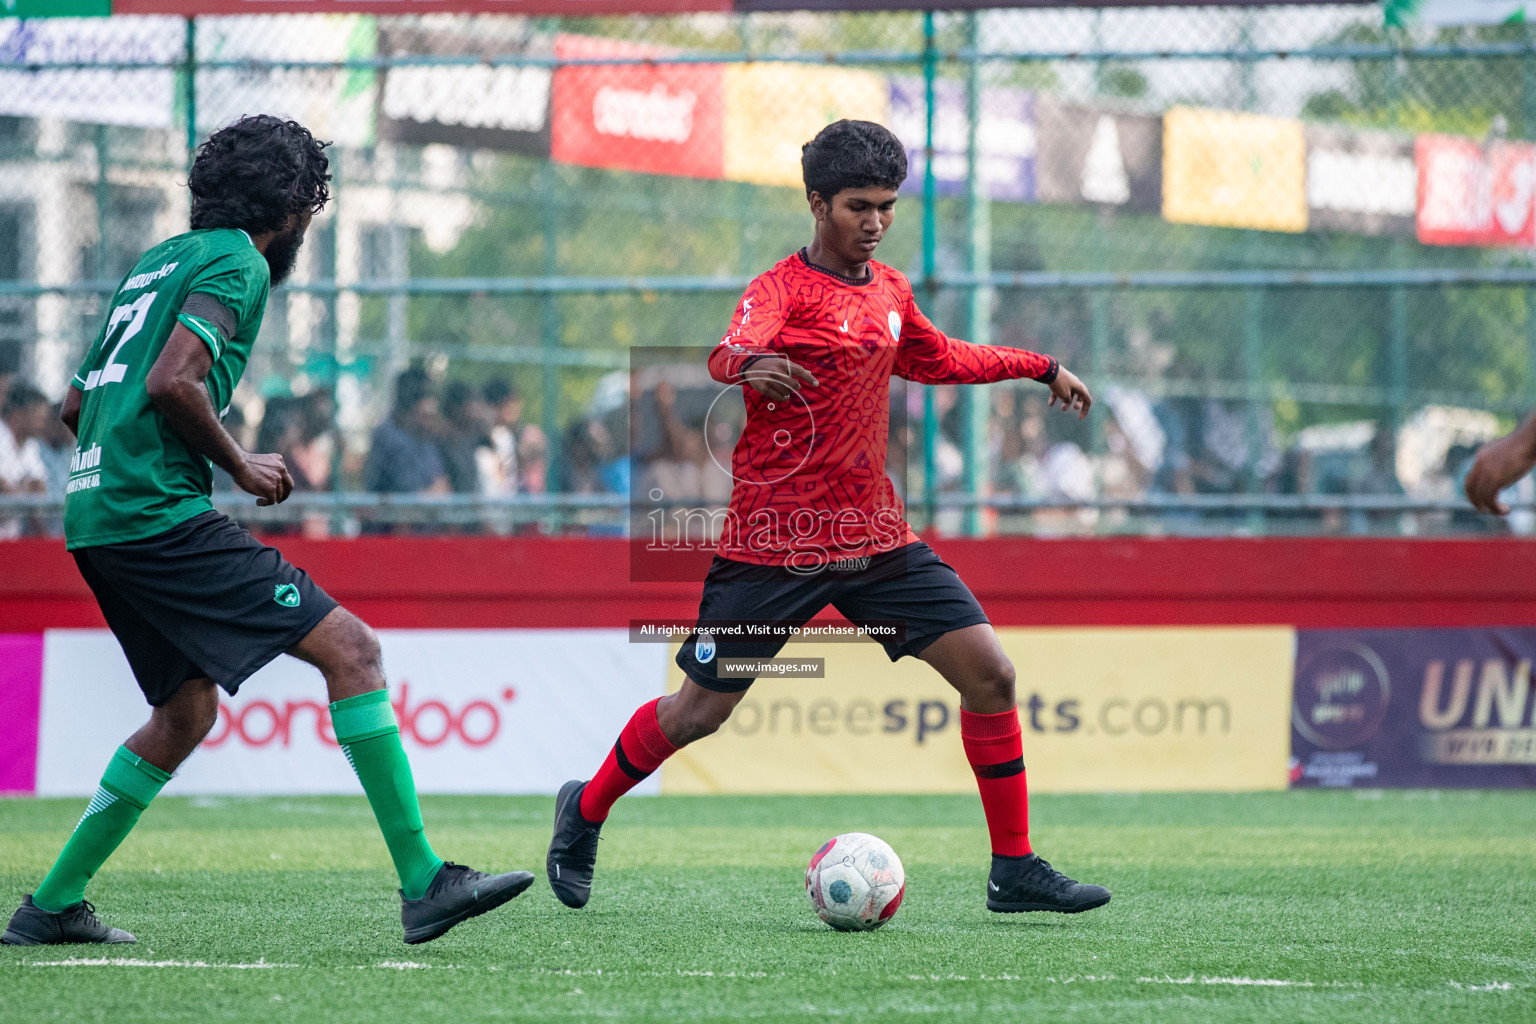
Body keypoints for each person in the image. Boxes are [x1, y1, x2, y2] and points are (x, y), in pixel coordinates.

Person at [546, 120, 1108, 917]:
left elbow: (937, 357)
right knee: (697, 713)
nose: (874, 221)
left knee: (993, 676)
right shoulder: (779, 288)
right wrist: (749, 365)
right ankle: (586, 809)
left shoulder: (890, 290)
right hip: (771, 545)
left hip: (875, 540)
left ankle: (1012, 869)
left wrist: (1038, 367)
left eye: (886, 206)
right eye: (858, 206)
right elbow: (726, 350)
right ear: (818, 203)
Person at [1, 116, 532, 949]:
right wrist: (239, 465)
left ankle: (49, 907)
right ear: (289, 209)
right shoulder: (237, 260)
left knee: (183, 716)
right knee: (352, 651)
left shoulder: (154, 264)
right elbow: (176, 380)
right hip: (156, 519)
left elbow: (76, 407)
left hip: (96, 518)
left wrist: (130, 470)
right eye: (311, 215)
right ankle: (425, 881)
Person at [363, 368, 449, 496]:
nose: (431, 423)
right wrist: (432, 495)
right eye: (426, 417)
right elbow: (413, 497)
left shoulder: (424, 438)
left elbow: (443, 487)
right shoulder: (389, 436)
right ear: (407, 411)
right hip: (391, 514)